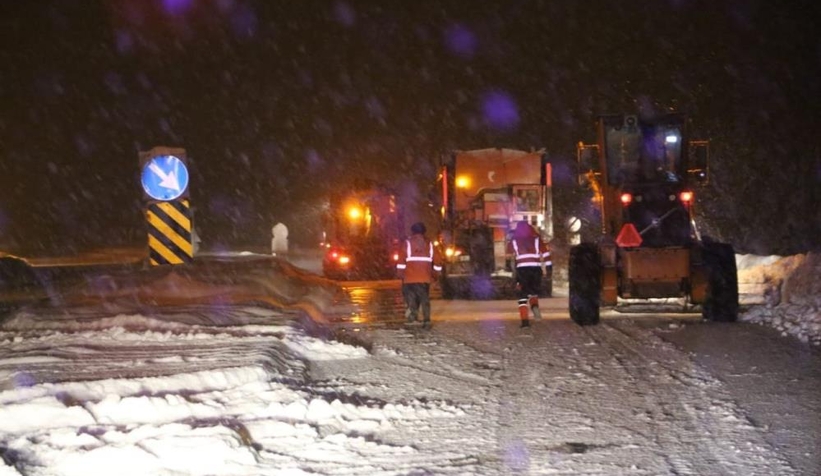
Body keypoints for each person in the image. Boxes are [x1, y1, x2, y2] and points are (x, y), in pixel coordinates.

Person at [396, 222, 443, 330]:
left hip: (409, 277)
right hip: (424, 277)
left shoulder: (407, 243)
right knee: (424, 299)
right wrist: (436, 274)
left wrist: (400, 274)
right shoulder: (429, 244)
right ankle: (427, 320)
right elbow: (437, 259)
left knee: (411, 298)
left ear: (413, 231)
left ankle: (413, 316)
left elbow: (401, 259)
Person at [507, 221, 551, 328]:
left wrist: (510, 268)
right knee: (533, 291)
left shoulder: (514, 241)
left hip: (522, 270)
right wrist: (549, 268)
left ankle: (525, 321)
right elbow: (546, 254)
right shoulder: (537, 240)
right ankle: (535, 306)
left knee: (522, 295)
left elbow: (508, 254)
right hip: (535, 270)